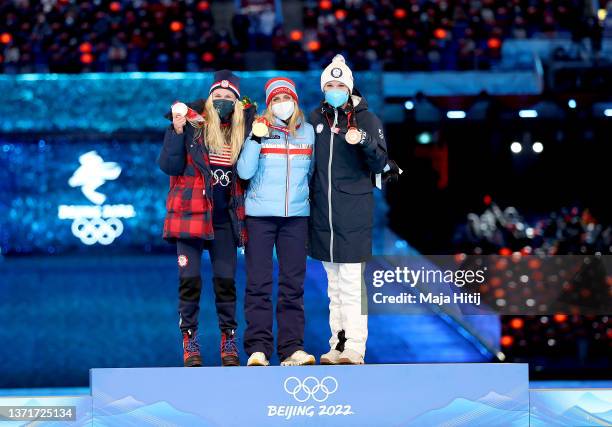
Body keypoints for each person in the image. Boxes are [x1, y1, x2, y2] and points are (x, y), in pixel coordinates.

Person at [157, 70, 256, 367]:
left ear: (237, 103)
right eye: (218, 96)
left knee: (226, 282)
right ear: (210, 99)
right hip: (191, 217)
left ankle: (228, 340)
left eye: (229, 97)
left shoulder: (245, 130)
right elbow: (169, 165)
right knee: (189, 281)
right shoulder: (190, 127)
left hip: (225, 219)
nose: (223, 101)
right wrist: (176, 130)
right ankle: (190, 341)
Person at [309, 54, 400, 365]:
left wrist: (361, 140)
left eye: (340, 84)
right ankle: (337, 345)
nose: (335, 89)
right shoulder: (315, 120)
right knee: (333, 288)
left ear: (349, 88)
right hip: (323, 215)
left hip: (353, 215)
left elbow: (381, 163)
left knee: (350, 285)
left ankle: (355, 348)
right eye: (329, 84)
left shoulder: (367, 120)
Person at [237, 77, 316, 366]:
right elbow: (244, 172)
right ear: (269, 105)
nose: (282, 105)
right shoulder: (259, 130)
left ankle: (292, 348)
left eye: (286, 99)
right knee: (258, 283)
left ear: (295, 101)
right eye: (276, 100)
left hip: (295, 217)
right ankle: (258, 348)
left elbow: (313, 173)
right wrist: (256, 139)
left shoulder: (307, 133)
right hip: (260, 217)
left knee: (292, 284)